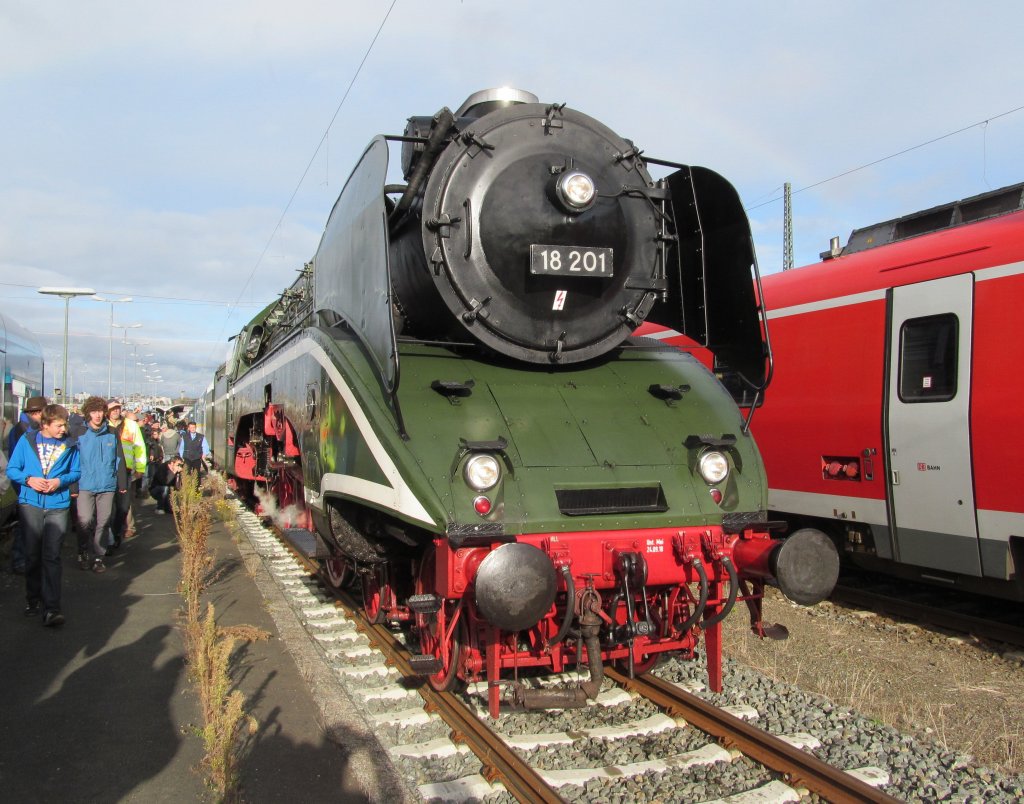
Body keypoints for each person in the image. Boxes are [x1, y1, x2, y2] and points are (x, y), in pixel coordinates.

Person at [6, 404, 81, 626]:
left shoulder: (70, 444)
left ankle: (52, 608)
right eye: (58, 425)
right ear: (45, 424)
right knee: (32, 555)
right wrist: (29, 479)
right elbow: (12, 469)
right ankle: (32, 598)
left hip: (58, 504)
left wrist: (60, 481)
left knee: (52, 555)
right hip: (31, 503)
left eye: (65, 424)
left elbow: (76, 472)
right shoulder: (27, 441)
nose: (63, 429)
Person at [73, 396, 128, 573]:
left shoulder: (112, 433)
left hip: (107, 485)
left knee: (103, 522)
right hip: (84, 485)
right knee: (85, 520)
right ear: (87, 413)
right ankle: (83, 551)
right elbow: (72, 461)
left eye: (100, 412)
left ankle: (98, 557)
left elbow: (119, 459)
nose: (97, 415)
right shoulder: (79, 434)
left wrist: (122, 482)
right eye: (93, 411)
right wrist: (72, 486)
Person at [6, 395, 47, 574]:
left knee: (30, 524)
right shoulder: (23, 431)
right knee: (26, 524)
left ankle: (25, 558)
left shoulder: (30, 428)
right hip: (26, 482)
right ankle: (19, 560)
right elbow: (17, 460)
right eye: (37, 412)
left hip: (32, 482)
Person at [106, 399, 147, 547]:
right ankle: (112, 537)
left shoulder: (131, 425)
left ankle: (118, 530)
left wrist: (141, 469)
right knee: (109, 506)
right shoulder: (104, 426)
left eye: (118, 408)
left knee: (124, 506)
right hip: (108, 472)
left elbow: (140, 447)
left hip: (127, 471)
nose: (115, 411)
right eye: (112, 408)